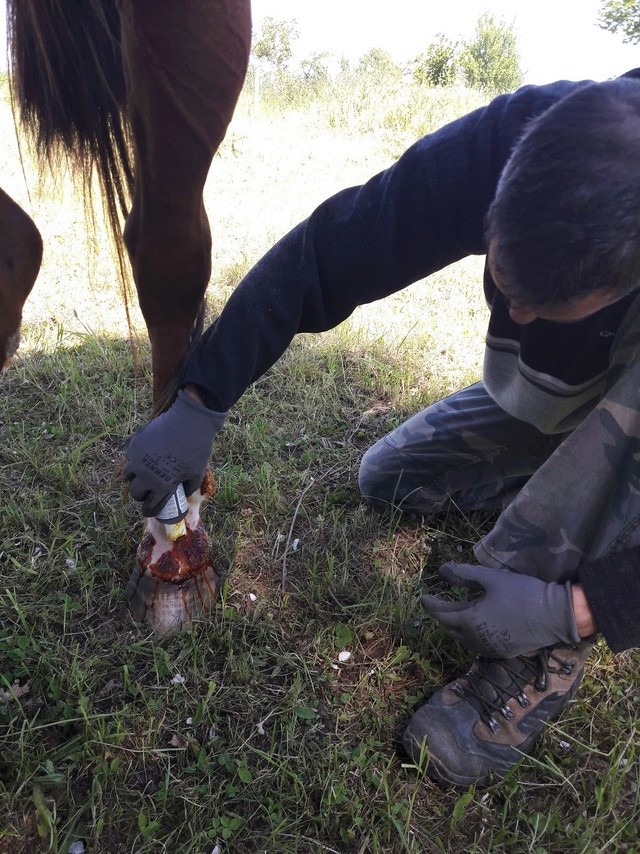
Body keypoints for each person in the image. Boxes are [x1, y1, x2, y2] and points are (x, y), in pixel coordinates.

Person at [124, 70, 640, 788]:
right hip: (563, 392)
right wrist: (202, 397)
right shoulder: (519, 139)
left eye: (545, 301)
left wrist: (581, 606)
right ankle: (568, 460)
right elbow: (331, 251)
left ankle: (541, 659)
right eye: (504, 279)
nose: (513, 317)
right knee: (391, 479)